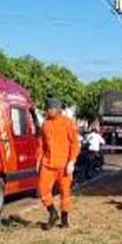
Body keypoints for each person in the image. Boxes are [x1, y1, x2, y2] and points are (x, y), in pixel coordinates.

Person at [38, 97, 80, 230]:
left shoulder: (68, 123)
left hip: (64, 165)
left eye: (51, 108)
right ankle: (52, 213)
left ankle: (64, 218)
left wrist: (72, 162)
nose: (49, 110)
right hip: (47, 164)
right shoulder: (45, 124)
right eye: (47, 108)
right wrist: (38, 160)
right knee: (43, 190)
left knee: (65, 193)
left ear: (58, 109)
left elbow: (75, 144)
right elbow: (42, 145)